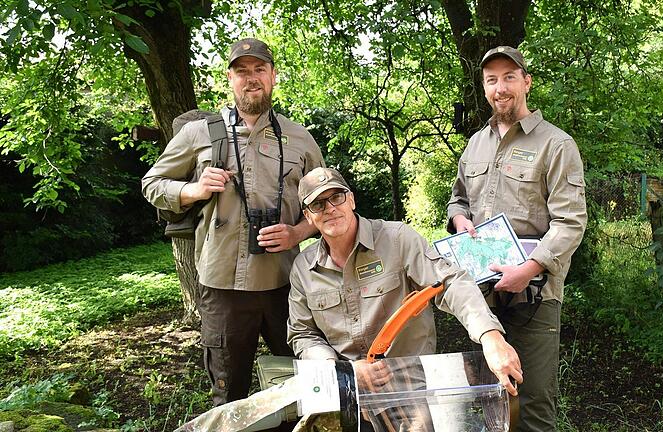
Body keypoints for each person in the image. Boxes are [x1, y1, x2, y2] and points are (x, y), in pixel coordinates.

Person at [142, 37, 325, 407]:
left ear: (273, 76)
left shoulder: (299, 137)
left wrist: (298, 232)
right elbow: (151, 183)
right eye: (242, 71)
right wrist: (194, 189)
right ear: (230, 78)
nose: (251, 78)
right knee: (228, 393)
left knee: (301, 387)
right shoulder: (199, 133)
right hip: (222, 285)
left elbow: (326, 203)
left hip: (285, 285)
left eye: (259, 69)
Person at [287, 167, 523, 430]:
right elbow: (302, 333)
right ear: (308, 217)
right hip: (346, 393)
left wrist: (490, 337)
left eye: (336, 197)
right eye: (318, 204)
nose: (330, 208)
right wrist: (344, 372)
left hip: (410, 390)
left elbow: (449, 282)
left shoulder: (397, 239)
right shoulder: (303, 268)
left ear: (351, 199)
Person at [446, 45, 587, 431]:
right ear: (485, 87)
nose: (500, 87)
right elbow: (457, 199)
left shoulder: (556, 144)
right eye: (492, 80)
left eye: (509, 77)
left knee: (533, 404)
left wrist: (528, 269)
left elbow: (571, 221)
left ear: (526, 81)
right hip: (483, 297)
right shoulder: (476, 143)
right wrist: (459, 220)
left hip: (534, 295)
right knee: (489, 400)